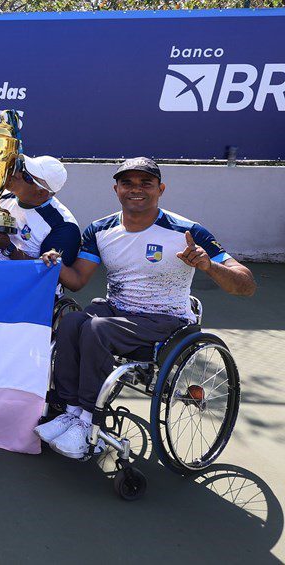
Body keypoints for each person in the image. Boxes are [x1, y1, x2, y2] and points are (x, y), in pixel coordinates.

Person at [35, 157, 256, 459]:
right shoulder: (100, 230)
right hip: (118, 310)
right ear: (116, 189)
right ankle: (70, 411)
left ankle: (89, 421)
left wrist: (208, 265)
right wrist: (56, 264)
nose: (135, 189)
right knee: (73, 322)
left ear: (160, 188)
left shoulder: (188, 231)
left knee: (97, 329)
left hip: (167, 319)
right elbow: (76, 282)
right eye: (127, 183)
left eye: (145, 183)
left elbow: (245, 285)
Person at [0, 155, 80, 266]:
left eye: (26, 176)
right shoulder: (3, 195)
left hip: (28, 294)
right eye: (21, 167)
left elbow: (49, 274)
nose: (16, 173)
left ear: (41, 193)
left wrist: (8, 248)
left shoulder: (64, 226)